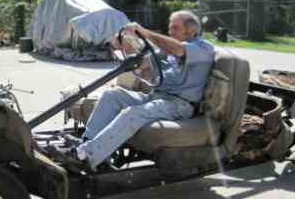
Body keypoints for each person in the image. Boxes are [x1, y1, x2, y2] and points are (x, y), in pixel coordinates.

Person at [57, 10, 215, 171]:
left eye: (175, 28)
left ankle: (86, 157)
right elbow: (145, 62)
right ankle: (85, 145)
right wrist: (126, 47)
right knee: (112, 95)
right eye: (170, 28)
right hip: (157, 97)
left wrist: (146, 33)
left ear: (191, 31)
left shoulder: (203, 49)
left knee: (132, 113)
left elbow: (178, 49)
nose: (170, 32)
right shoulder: (167, 51)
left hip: (179, 105)